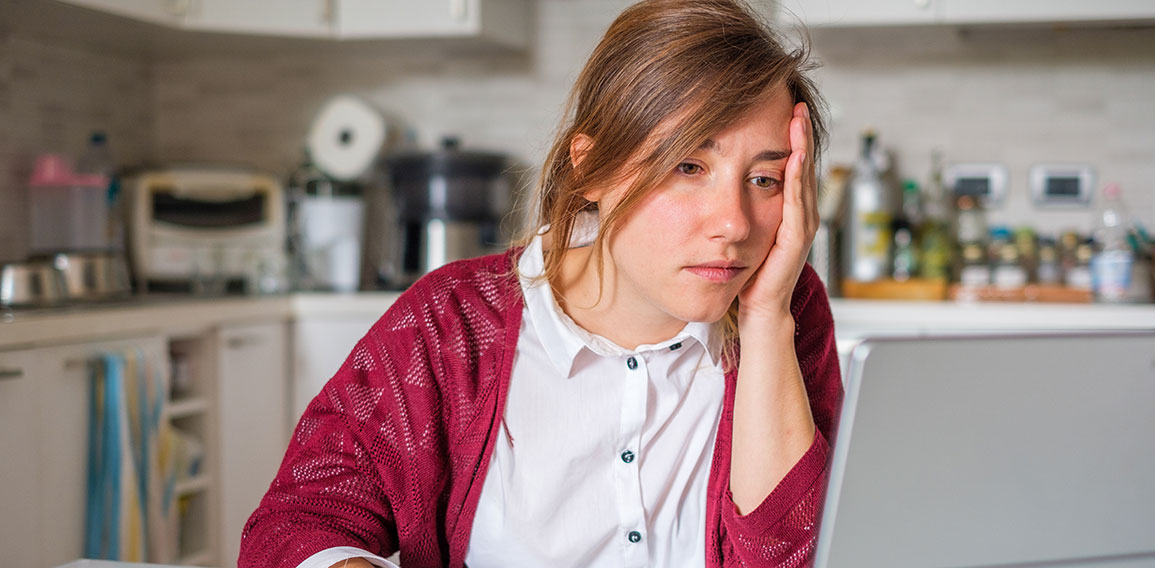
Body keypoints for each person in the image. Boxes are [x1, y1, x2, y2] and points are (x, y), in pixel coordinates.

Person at [239, 0, 842, 566]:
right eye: (688, 167)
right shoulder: (451, 322)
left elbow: (800, 555)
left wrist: (767, 319)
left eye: (765, 179)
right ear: (593, 168)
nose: (735, 223)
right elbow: (298, 523)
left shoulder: (786, 314)